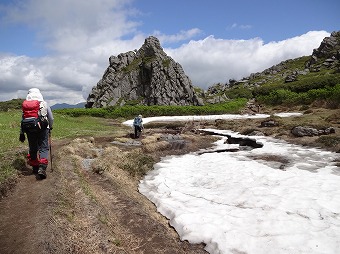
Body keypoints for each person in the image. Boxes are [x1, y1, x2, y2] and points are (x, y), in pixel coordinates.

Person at [19, 88, 54, 179]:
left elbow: (23, 119)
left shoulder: (25, 106)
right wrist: (50, 127)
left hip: (29, 129)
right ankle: (42, 168)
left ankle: (35, 167)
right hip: (43, 129)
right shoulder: (44, 103)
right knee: (44, 147)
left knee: (33, 147)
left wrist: (21, 132)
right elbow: (51, 118)